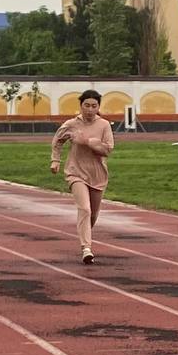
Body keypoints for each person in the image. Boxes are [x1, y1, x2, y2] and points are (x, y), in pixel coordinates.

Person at [49, 88, 115, 264]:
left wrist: (89, 142)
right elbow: (58, 140)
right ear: (81, 105)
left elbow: (107, 150)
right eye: (86, 105)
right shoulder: (72, 124)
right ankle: (86, 248)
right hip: (75, 172)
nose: (90, 109)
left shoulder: (104, 125)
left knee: (92, 214)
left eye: (94, 106)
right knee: (84, 209)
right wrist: (55, 160)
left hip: (97, 174)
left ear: (98, 107)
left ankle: (84, 234)